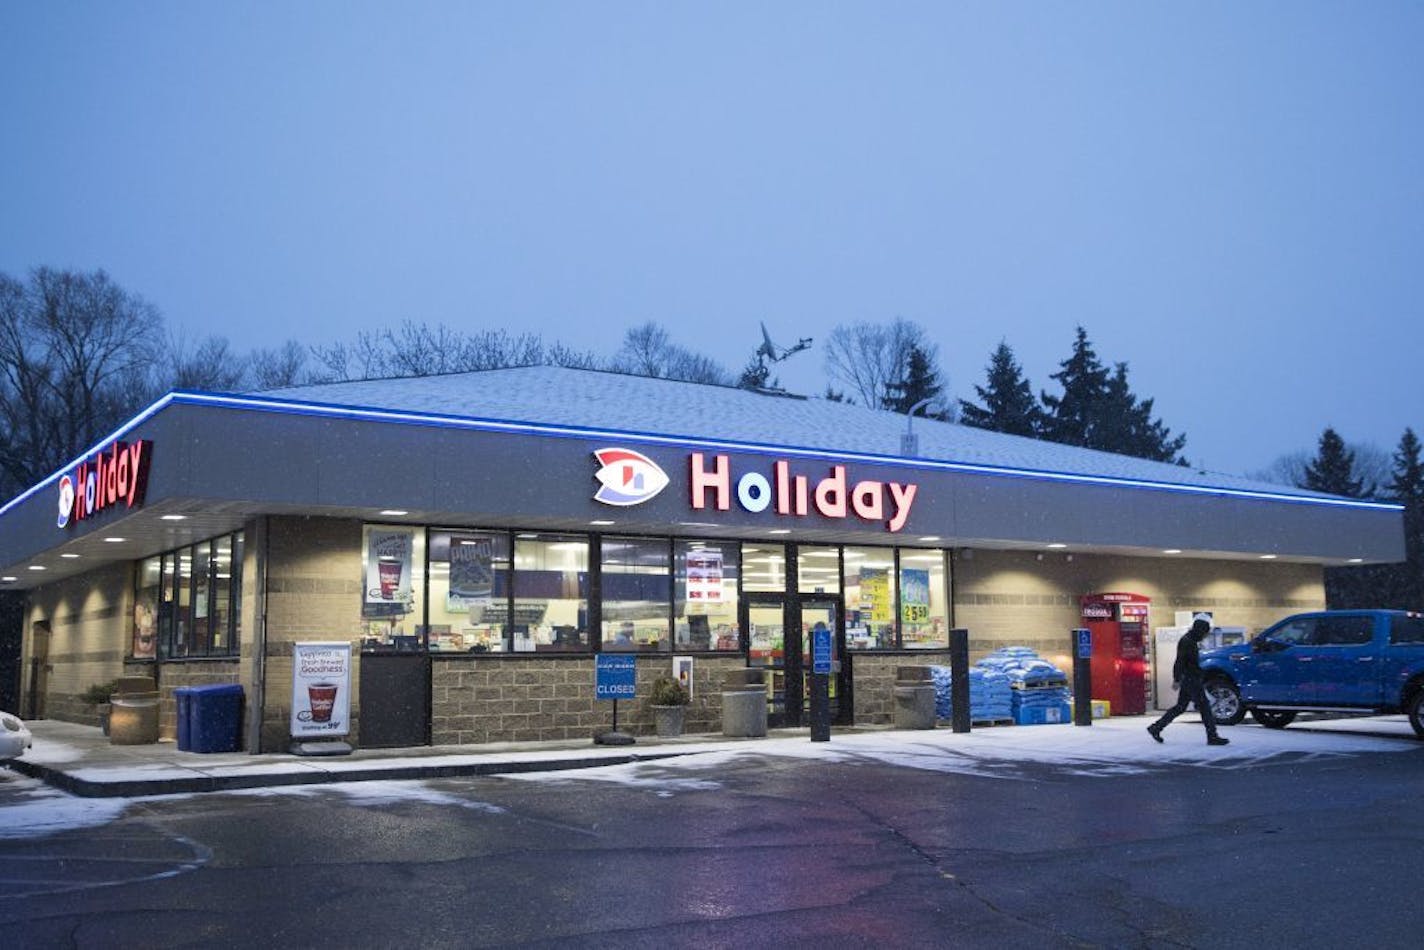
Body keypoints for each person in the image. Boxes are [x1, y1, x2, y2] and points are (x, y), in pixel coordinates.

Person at [1148, 614, 1229, 746]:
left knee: (1180, 707)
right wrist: (1176, 679)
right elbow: (1180, 661)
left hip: (1190, 678)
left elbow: (1183, 661)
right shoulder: (1188, 642)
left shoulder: (1190, 640)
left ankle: (1156, 727)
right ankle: (1212, 736)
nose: (1205, 636)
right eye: (1205, 633)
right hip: (1191, 679)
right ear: (1200, 630)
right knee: (1205, 707)